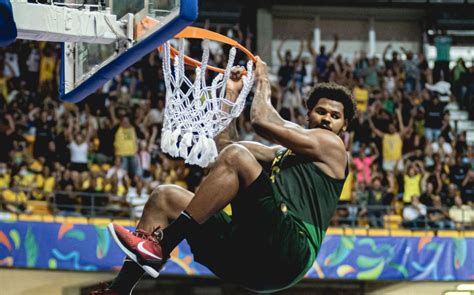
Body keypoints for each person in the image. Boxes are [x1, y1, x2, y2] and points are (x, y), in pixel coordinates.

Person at [93, 59, 354, 294]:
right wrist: (230, 96)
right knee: (164, 197)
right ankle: (118, 290)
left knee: (238, 156)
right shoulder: (280, 154)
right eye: (321, 112)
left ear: (344, 126)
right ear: (309, 114)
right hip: (251, 263)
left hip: (290, 251)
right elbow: (226, 152)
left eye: (335, 116)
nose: (327, 119)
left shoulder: (334, 147)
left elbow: (262, 121)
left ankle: (163, 243)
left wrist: (262, 80)